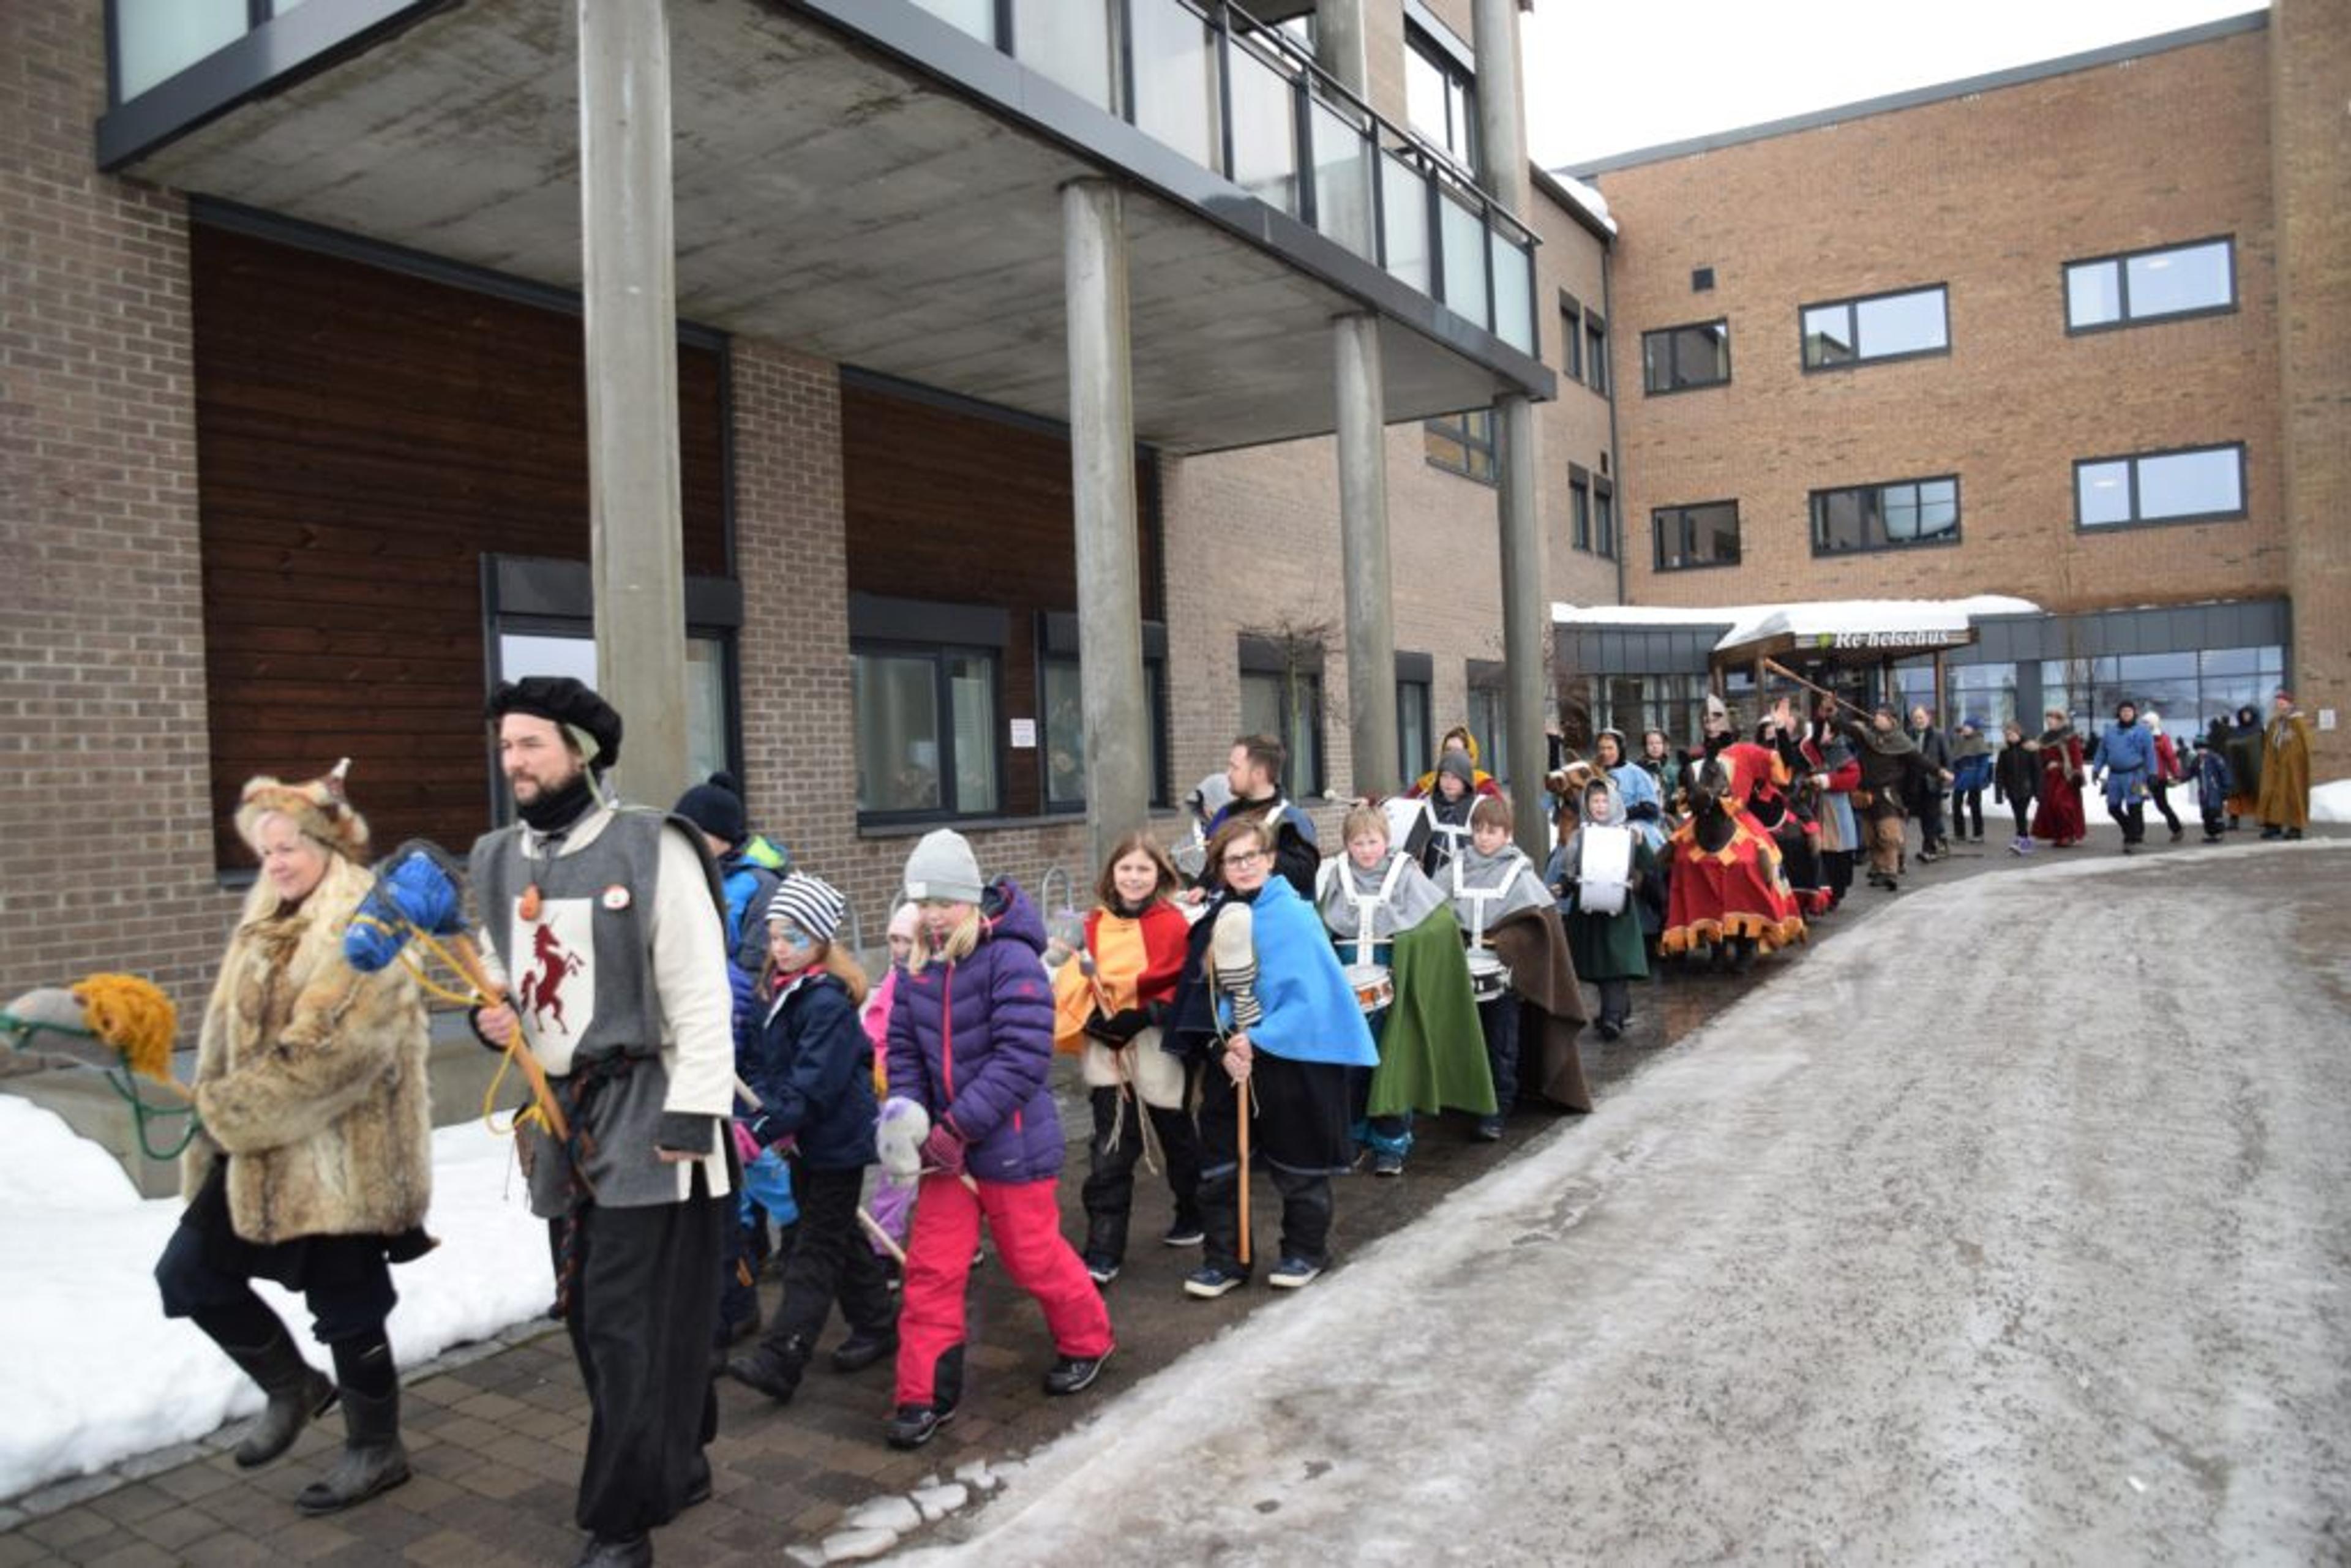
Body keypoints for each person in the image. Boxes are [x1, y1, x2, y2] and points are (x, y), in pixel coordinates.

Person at [469, 677, 735, 1568]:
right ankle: (676, 1455)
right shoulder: (496, 858)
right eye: (506, 746)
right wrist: (492, 1014)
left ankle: (621, 1522)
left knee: (627, 1326)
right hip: (563, 1120)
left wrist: (693, 1119)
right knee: (590, 1318)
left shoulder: (653, 846)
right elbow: (507, 974)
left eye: (531, 744)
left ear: (580, 752)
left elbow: (701, 998)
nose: (514, 762)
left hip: (652, 1115)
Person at [155, 763, 431, 1517]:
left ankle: (377, 1447)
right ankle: (294, 1385)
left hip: (344, 1150)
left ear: (327, 847)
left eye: (289, 847)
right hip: (255, 1144)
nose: (274, 861)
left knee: (349, 1304)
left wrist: (230, 1108)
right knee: (187, 1273)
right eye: (266, 848)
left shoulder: (365, 923)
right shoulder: (269, 912)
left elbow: (332, 1052)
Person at [884, 829, 1114, 1449]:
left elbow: (1022, 1058)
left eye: (944, 901)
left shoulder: (1010, 958)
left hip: (1009, 1142)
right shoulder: (916, 965)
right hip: (943, 1151)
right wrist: (908, 1115)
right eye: (923, 902)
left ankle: (1088, 1337)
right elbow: (903, 1050)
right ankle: (922, 1392)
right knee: (932, 1268)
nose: (933, 914)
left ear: (970, 897)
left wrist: (956, 1127)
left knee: (1031, 1257)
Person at [1168, 817, 1378, 1296]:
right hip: (1232, 1059)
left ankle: (1305, 1250)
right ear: (1219, 867)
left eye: (1252, 856)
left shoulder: (1295, 917)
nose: (1243, 866)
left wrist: (1260, 1038)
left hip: (1294, 1060)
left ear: (1269, 859)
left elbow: (1313, 997)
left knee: (1297, 1164)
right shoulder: (1218, 918)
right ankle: (1226, 1259)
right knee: (1221, 1163)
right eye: (1232, 859)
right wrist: (1222, 1045)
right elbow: (1205, 996)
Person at [726, 875, 900, 1405]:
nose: (780, 947)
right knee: (839, 1233)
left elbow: (813, 1084)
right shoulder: (779, 991)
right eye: (776, 935)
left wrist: (764, 1127)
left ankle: (783, 1356)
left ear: (821, 939)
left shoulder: (825, 1002)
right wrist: (771, 1116)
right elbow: (769, 1069)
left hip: (835, 1142)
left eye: (794, 937)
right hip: (804, 1137)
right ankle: (878, 1321)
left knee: (813, 1247)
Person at [1049, 833, 1203, 1284]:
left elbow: (1188, 987)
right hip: (1108, 1050)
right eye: (1126, 868)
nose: (1134, 877)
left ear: (1160, 874)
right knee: (1111, 1150)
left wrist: (1147, 1014)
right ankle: (1104, 1248)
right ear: (1112, 873)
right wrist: (1091, 1019)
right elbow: (1070, 982)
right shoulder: (1092, 925)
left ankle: (1193, 1212)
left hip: (1157, 1044)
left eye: (1143, 868)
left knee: (1178, 1140)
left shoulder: (1174, 925)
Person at [1314, 803, 1494, 1176]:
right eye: (1358, 843)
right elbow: (1322, 923)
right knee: (1351, 1066)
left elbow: (1440, 923)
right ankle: (1354, 1136)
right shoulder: (1337, 875)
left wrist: (1407, 944)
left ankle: (1391, 1144)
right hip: (1347, 984)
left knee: (1394, 1062)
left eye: (1373, 842)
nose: (1366, 850)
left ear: (1386, 840)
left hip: (1396, 979)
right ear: (1347, 845)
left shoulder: (1406, 873)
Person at [1443, 794, 1593, 1130]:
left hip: (1505, 979)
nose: (1484, 838)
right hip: (1459, 974)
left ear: (1507, 834)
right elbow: (1433, 912)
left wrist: (1508, 944)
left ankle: (1498, 1107)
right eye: (1479, 830)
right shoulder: (1454, 869)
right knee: (1465, 1040)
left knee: (1502, 1044)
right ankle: (1467, 1099)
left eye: (1492, 831)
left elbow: (1539, 929)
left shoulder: (1520, 874)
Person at [1548, 773, 1653, 1041]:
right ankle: (1620, 1008)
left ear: (1614, 803)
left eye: (1605, 801)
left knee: (1615, 965)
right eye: (1595, 801)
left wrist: (1640, 845)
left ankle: (1611, 1018)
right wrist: (1563, 886)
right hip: (1588, 911)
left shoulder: (1628, 834)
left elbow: (1649, 866)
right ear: (1587, 804)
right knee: (1599, 967)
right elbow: (1573, 871)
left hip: (1619, 913)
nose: (1600, 806)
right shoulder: (1580, 836)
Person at [671, 770, 790, 970]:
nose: (685, 842)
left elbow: (757, 962)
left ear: (723, 835)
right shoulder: (682, 874)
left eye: (695, 833)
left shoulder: (763, 884)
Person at [1204, 733, 1321, 897]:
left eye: (1235, 768)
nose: (1228, 774)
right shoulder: (1225, 813)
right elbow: (1213, 865)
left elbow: (1304, 877)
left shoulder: (1292, 820)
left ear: (1258, 774)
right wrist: (1202, 886)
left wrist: (1253, 851)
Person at [1842, 703, 1934, 890]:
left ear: (1891, 720)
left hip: (1888, 794)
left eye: (1881, 715)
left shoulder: (1901, 742)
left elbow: (1920, 761)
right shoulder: (1867, 737)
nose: (1877, 718)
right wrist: (1832, 712)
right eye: (1876, 714)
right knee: (1871, 836)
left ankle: (1891, 871)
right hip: (1867, 793)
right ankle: (1879, 870)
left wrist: (1939, 772)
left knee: (1889, 835)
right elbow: (1846, 728)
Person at [1799, 707, 1864, 906]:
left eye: (1827, 730)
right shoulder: (1810, 748)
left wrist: (1827, 780)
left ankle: (1836, 892)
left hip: (1836, 806)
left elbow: (1853, 777)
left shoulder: (1840, 751)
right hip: (1813, 805)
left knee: (1838, 850)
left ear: (1834, 734)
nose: (1822, 734)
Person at [2089, 699, 2157, 854]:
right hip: (2114, 776)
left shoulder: (2143, 732)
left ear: (2134, 713)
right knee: (2113, 808)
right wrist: (2096, 769)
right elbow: (2102, 752)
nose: (2126, 714)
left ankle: (2132, 839)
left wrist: (2153, 773)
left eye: (2129, 711)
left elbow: (2150, 754)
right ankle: (2131, 830)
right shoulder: (2110, 732)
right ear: (2119, 714)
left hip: (2136, 775)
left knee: (2135, 806)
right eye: (2123, 711)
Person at [1414, 750, 1482, 879]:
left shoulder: (1478, 807)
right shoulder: (1429, 808)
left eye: (1455, 777)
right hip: (1434, 882)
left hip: (1471, 880)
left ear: (1465, 780)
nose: (1449, 782)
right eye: (1444, 776)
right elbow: (1412, 851)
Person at [2257, 689, 2314, 840]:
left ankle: (2296, 827)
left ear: (2290, 704)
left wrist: (2291, 754)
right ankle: (2273, 825)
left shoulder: (2298, 722)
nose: (2280, 706)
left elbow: (2303, 745)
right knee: (2272, 793)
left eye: (2282, 703)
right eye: (2278, 703)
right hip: (2274, 765)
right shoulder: (2274, 723)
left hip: (2291, 766)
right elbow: (2269, 743)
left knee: (2293, 794)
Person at [2029, 708, 2088, 850]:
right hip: (2050, 777)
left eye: (2053, 719)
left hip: (2066, 777)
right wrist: (2045, 764)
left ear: (2060, 721)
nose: (2049, 722)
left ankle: (2069, 834)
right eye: (2048, 720)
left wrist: (2075, 772)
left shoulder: (2070, 737)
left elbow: (2076, 757)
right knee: (2049, 806)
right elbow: (2040, 759)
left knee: (2061, 804)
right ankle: (2059, 835)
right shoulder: (2044, 738)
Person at [1906, 706, 1956, 861]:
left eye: (1921, 717)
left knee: (1931, 817)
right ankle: (1937, 841)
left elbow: (1948, 759)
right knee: (1925, 817)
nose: (1918, 721)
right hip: (1915, 784)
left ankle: (1929, 849)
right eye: (1916, 718)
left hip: (1933, 783)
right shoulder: (1908, 735)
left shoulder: (1938, 735)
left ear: (1928, 718)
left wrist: (1946, 781)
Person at [1402, 724, 1502, 800]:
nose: (1452, 755)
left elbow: (1497, 815)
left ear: (1470, 756)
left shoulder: (1484, 784)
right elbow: (1406, 806)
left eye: (1457, 751)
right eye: (1448, 750)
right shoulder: (1428, 782)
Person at [1993, 721, 2040, 855]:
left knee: (2021, 814)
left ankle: (2023, 841)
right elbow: (1999, 773)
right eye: (2007, 735)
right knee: (2018, 815)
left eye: (2012, 734)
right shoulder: (2004, 752)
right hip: (2011, 788)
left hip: (2026, 788)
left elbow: (2037, 771)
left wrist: (2038, 792)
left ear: (2018, 733)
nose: (2010, 737)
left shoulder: (2029, 749)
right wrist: (1999, 793)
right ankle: (2022, 840)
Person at [2142, 709, 2186, 842]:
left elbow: (2170, 757)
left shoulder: (2162, 738)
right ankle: (2136, 834)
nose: (2144, 725)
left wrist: (2176, 773)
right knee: (2136, 804)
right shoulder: (2138, 737)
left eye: (2147, 723)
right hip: (2141, 779)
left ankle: (2177, 828)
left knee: (2162, 805)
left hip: (2158, 779)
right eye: (2144, 723)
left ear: (2154, 723)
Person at [1948, 722, 1993, 846]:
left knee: (1975, 806)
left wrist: (1980, 779)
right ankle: (1960, 834)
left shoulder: (1979, 742)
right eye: (1965, 726)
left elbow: (1984, 764)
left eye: (1968, 726)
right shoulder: (1960, 741)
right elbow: (1956, 760)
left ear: (1974, 728)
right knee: (1956, 805)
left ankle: (1978, 834)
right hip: (1961, 777)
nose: (1965, 728)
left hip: (1974, 777)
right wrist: (1954, 774)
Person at [2223, 703, 2265, 830]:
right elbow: (2229, 747)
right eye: (2244, 715)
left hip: (2253, 767)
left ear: (2254, 716)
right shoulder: (2236, 732)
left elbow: (2263, 749)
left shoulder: (2259, 731)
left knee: (2257, 791)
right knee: (2235, 794)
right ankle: (2234, 820)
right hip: (2237, 768)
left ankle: (2262, 818)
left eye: (2248, 714)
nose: (2246, 717)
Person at [2191, 721, 2234, 844]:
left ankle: (2219, 832)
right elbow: (2190, 772)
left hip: (2215, 791)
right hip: (2204, 793)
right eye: (2198, 749)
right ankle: (2211, 833)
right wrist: (2180, 778)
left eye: (2203, 748)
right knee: (2206, 814)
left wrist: (2227, 787)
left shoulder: (2215, 758)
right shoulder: (2197, 761)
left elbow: (2224, 772)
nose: (2201, 751)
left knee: (2215, 813)